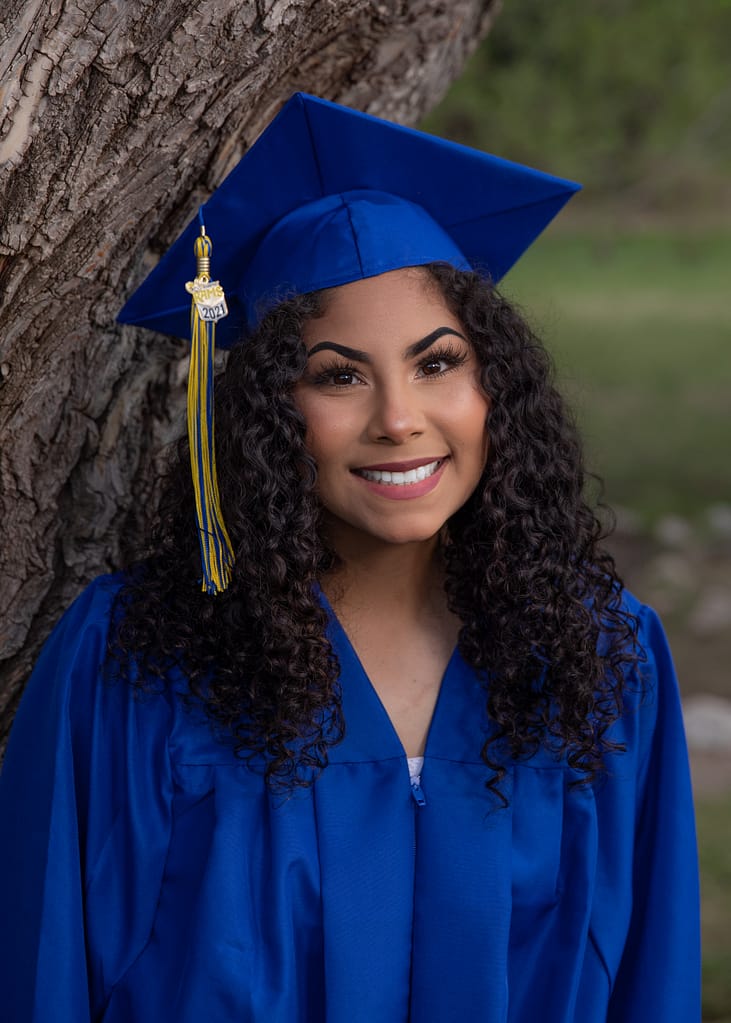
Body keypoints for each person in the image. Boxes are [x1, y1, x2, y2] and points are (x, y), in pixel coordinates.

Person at [0, 93, 699, 1022]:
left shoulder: (601, 659)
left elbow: (651, 974)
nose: (399, 418)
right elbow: (43, 967)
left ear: (497, 383)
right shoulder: (133, 662)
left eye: (437, 362)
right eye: (338, 375)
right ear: (263, 414)